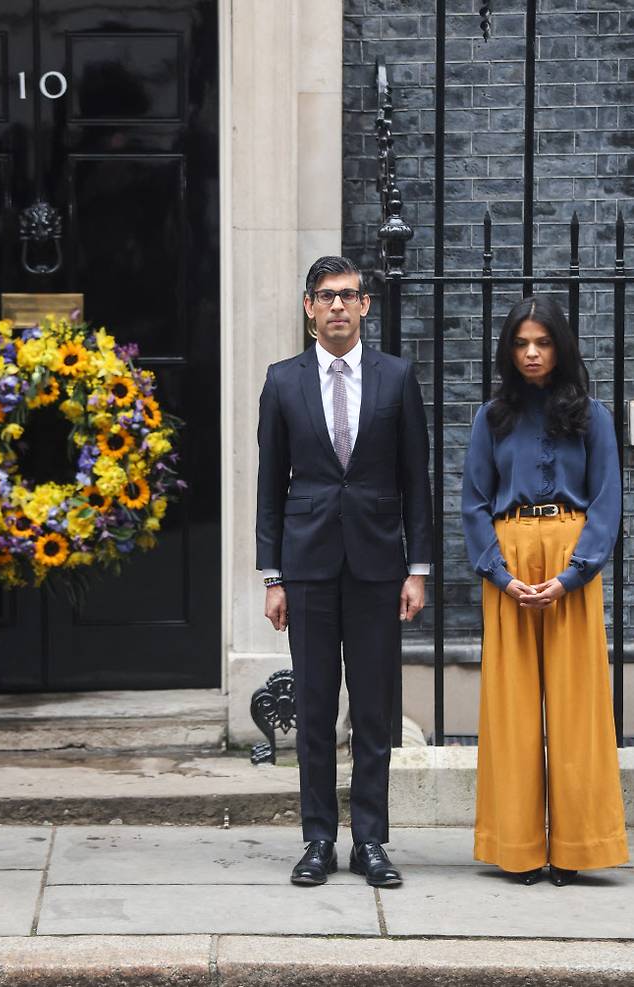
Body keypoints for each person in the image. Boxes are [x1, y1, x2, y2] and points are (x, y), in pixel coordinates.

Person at [256, 255, 432, 888]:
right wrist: (272, 575)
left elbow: (417, 479)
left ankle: (371, 841)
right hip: (305, 566)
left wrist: (418, 569)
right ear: (309, 308)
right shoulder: (282, 381)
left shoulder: (396, 378)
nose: (337, 306)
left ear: (365, 307)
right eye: (325, 296)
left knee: (375, 709)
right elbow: (270, 484)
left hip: (379, 565)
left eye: (348, 296)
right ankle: (317, 838)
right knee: (312, 707)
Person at [462, 295, 629, 886]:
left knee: (577, 707)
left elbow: (608, 502)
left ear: (560, 347)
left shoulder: (594, 416)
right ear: (509, 351)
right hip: (509, 563)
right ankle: (520, 847)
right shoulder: (491, 418)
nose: (532, 353)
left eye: (543, 342)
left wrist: (572, 573)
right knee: (510, 709)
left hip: (571, 563)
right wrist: (502, 577)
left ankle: (579, 847)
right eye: (521, 343)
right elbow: (474, 504)